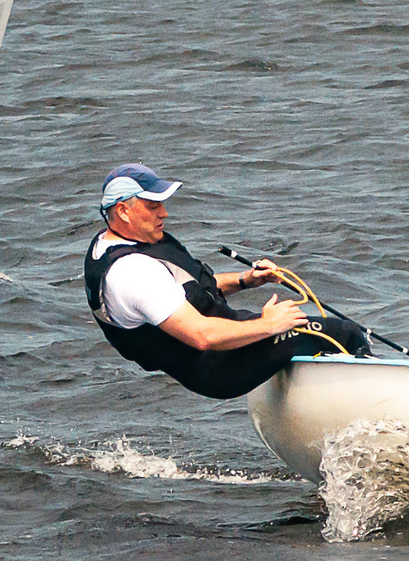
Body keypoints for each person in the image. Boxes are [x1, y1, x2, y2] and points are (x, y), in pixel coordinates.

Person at [84, 164, 370, 400]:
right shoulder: (132, 273)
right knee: (343, 332)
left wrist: (246, 280)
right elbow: (201, 336)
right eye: (152, 205)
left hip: (229, 339)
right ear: (123, 211)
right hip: (220, 366)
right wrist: (269, 325)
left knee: (310, 334)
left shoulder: (115, 243)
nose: (164, 213)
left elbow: (187, 291)